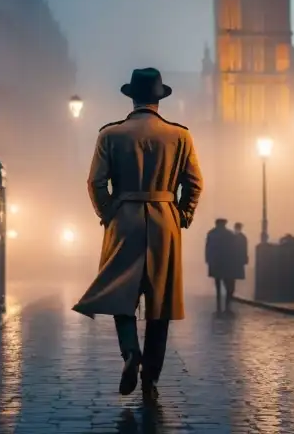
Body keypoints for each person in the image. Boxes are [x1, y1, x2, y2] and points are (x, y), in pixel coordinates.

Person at [73, 68, 204, 404]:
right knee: (160, 305)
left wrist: (108, 213)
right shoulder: (180, 136)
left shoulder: (110, 135)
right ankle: (151, 379)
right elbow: (194, 183)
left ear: (131, 97)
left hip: (124, 219)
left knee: (121, 295)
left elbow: (95, 182)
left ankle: (130, 352)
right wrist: (183, 214)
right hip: (164, 221)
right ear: (159, 98)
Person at [205, 219, 235, 313]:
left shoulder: (211, 233)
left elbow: (208, 247)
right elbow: (233, 249)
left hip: (216, 262)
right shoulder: (229, 234)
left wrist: (208, 259)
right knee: (228, 284)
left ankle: (219, 304)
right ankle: (227, 304)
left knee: (218, 284)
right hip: (227, 262)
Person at [232, 221, 249, 292]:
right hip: (237, 260)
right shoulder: (243, 237)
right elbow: (245, 249)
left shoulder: (232, 236)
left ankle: (231, 290)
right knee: (233, 276)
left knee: (232, 276)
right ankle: (232, 290)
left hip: (234, 260)